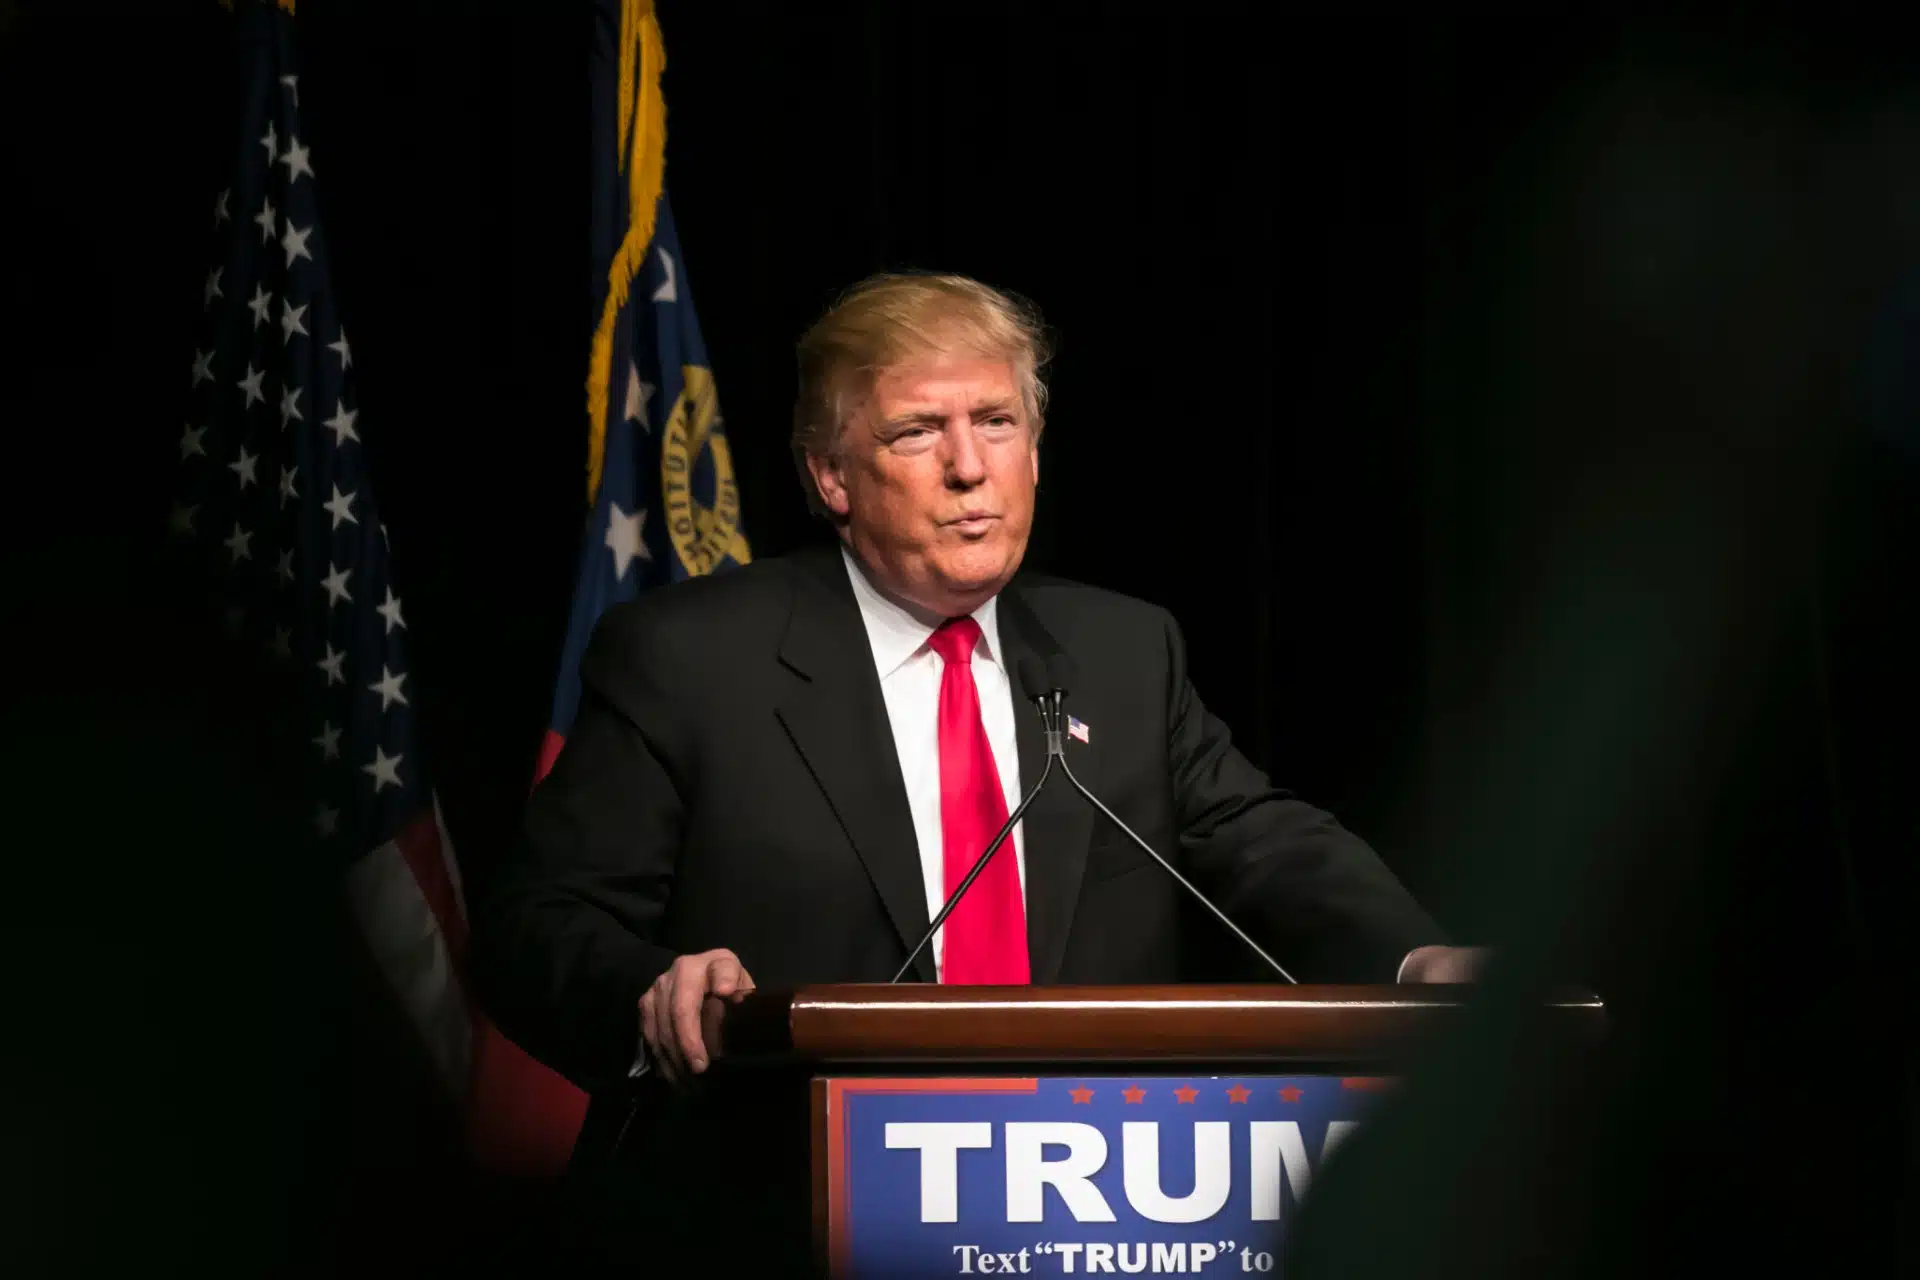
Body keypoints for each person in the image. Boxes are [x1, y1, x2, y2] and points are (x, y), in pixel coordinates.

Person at [471, 272, 1479, 1260]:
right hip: (770, 1219)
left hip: (1083, 1217)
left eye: (997, 422)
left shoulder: (1123, 651)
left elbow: (1265, 840)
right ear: (830, 476)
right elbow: (533, 925)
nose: (969, 466)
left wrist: (1415, 957)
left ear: (1034, 451)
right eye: (917, 431)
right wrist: (652, 988)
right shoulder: (691, 658)